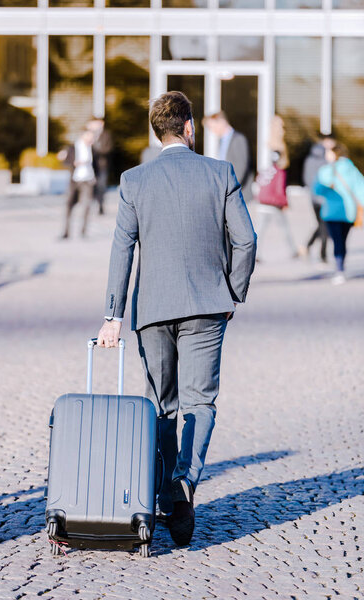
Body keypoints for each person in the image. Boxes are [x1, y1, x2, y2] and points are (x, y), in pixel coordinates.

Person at [97, 91, 257, 547]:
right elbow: (245, 242)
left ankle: (166, 492)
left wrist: (113, 315)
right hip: (209, 305)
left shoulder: (134, 180)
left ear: (156, 131)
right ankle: (184, 485)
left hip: (152, 310)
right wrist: (233, 292)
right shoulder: (220, 172)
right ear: (189, 127)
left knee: (161, 405)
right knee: (200, 402)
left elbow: (122, 250)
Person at [313, 143, 364, 285]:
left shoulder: (326, 170)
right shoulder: (352, 169)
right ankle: (341, 266)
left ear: (335, 154)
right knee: (343, 240)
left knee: (337, 241)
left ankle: (339, 269)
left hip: (332, 211)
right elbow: (361, 188)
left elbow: (317, 189)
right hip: (349, 212)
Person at [255, 151, 298, 262]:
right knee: (284, 228)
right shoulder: (280, 172)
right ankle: (293, 251)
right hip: (274, 204)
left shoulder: (264, 171)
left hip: (262, 204)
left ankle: (255, 253)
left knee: (259, 231)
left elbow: (258, 184)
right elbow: (280, 190)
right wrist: (285, 203)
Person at [203, 111, 253, 202]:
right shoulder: (221, 142)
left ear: (222, 121)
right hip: (230, 196)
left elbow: (241, 170)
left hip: (242, 197)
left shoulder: (238, 139)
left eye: (212, 126)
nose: (212, 130)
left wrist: (227, 190)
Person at [59, 129, 99, 239]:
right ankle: (66, 231)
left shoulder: (93, 149)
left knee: (86, 206)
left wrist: (96, 178)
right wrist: (73, 163)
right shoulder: (72, 148)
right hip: (75, 180)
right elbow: (65, 161)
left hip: (88, 181)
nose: (91, 139)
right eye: (89, 137)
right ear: (83, 136)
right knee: (69, 205)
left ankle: (83, 232)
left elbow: (96, 165)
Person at [303, 134, 336, 263]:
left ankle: (308, 245)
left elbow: (306, 178)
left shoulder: (309, 159)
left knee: (322, 225)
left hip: (313, 197)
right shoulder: (326, 160)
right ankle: (322, 254)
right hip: (323, 197)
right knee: (324, 226)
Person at [86, 117, 113, 215]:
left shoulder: (106, 135)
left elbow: (108, 149)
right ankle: (91, 204)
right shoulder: (88, 134)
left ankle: (100, 205)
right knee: (91, 186)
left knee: (101, 186)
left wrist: (95, 149)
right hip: (90, 165)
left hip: (102, 165)